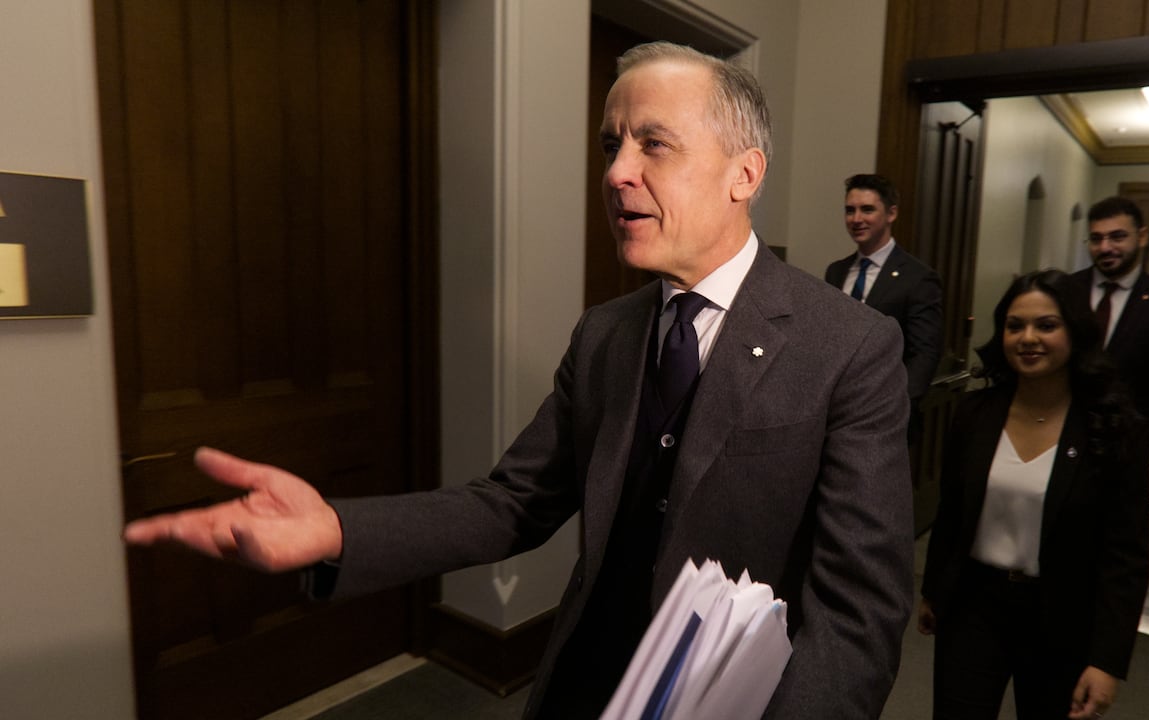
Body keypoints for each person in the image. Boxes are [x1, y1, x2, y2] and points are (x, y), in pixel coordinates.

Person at [124, 41, 915, 719]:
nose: (616, 173)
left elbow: (857, 617)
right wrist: (336, 530)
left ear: (744, 174)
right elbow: (514, 502)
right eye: (611, 145)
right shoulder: (606, 333)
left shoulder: (848, 346)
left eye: (653, 145)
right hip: (581, 686)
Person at [918, 269, 1149, 719]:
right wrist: (933, 590)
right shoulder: (975, 413)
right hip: (974, 607)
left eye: (1046, 325)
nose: (1028, 338)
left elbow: (1127, 555)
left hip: (1061, 615)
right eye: (1014, 325)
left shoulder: (1113, 429)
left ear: (1075, 332)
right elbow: (952, 512)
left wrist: (1107, 661)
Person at [1070, 196, 1149, 513]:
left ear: (1141, 237)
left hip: (1125, 447)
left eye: (1118, 236)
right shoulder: (1065, 290)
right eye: (1097, 238)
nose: (1106, 247)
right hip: (1062, 433)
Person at [824, 173, 944, 407]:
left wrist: (895, 405)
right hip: (837, 407)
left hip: (888, 411)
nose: (856, 219)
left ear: (891, 213)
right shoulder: (836, 272)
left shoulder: (918, 278)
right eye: (850, 210)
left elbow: (924, 355)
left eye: (867, 210)